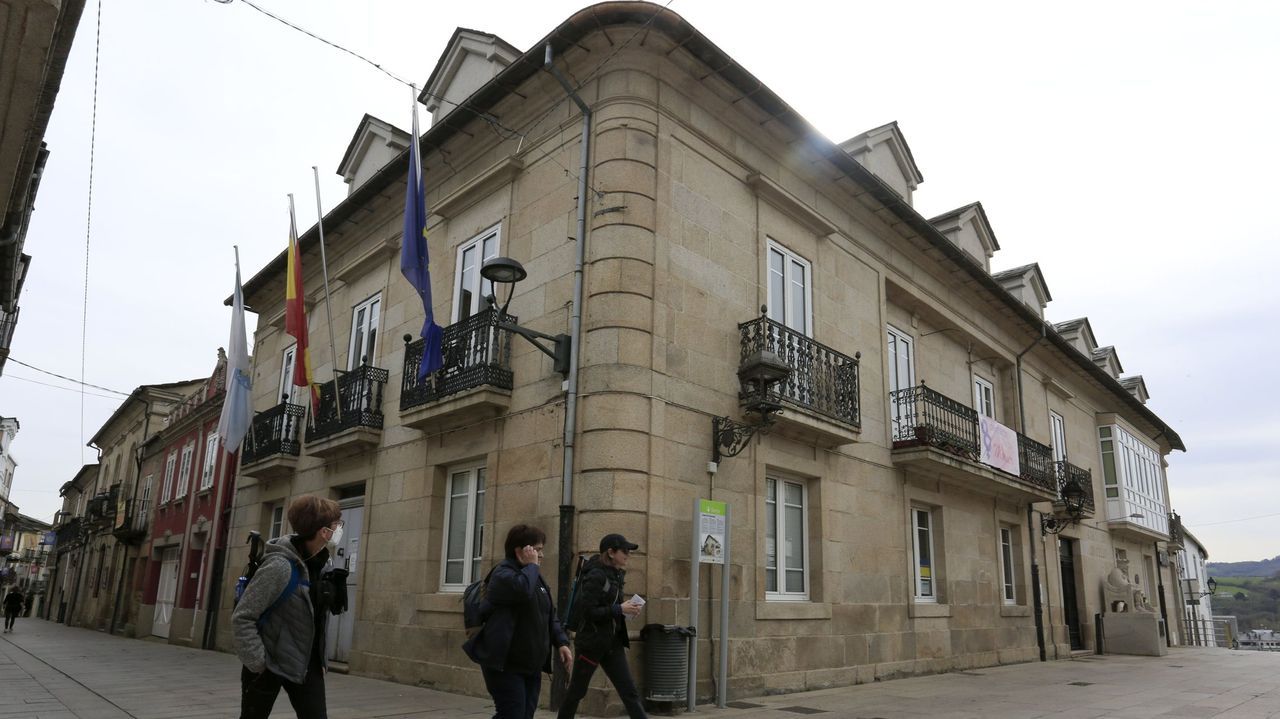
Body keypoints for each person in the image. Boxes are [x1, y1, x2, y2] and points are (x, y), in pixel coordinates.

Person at [232, 495, 342, 719]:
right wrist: (258, 663)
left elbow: (318, 618)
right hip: (268, 665)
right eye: (335, 525)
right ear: (323, 531)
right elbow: (243, 617)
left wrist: (320, 660)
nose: (338, 528)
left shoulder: (321, 563)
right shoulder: (279, 566)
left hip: (304, 664)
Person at [464, 524, 572, 719]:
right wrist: (531, 566)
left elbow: (549, 613)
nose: (542, 556)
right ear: (520, 551)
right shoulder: (503, 575)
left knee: (524, 715)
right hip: (505, 664)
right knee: (511, 714)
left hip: (530, 664)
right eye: (537, 550)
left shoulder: (534, 577)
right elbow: (522, 591)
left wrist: (561, 642)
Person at [557, 533, 647, 719]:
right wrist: (618, 609)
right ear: (611, 552)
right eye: (625, 551)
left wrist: (626, 610)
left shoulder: (615, 574)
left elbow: (611, 607)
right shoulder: (595, 575)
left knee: (629, 691)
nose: (627, 555)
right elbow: (587, 612)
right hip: (591, 644)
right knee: (576, 692)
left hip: (612, 644)